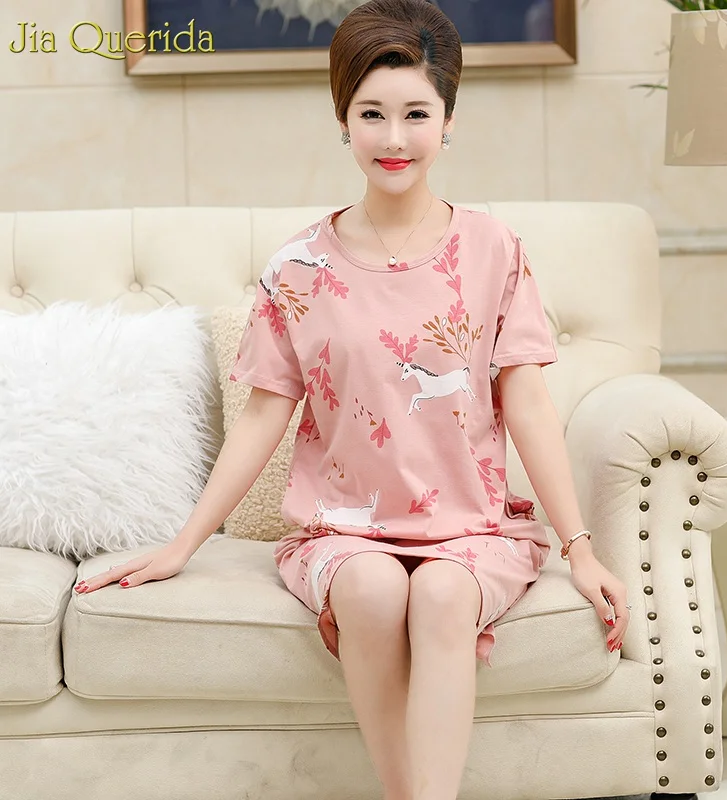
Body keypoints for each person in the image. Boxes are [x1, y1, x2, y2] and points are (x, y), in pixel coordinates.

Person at [75, 2, 629, 798]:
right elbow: (263, 414)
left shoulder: (493, 250)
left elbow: (530, 404)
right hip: (342, 530)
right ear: (342, 121)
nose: (394, 138)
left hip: (470, 527)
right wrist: (183, 544)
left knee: (441, 593)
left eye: (416, 114)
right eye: (371, 114)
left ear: (449, 120)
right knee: (372, 589)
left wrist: (580, 548)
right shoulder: (299, 267)